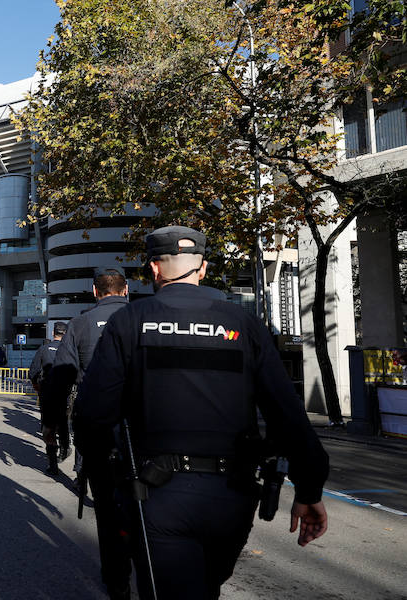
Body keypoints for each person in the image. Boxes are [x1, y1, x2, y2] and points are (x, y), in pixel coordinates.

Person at [75, 226, 329, 599]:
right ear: (204, 269)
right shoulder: (244, 324)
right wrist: (309, 488)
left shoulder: (129, 321)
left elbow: (93, 414)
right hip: (232, 496)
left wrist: (106, 477)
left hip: (156, 495)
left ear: (154, 270)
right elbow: (287, 414)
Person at [44, 267, 131, 598]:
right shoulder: (143, 316)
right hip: (143, 423)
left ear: (95, 292)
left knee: (107, 507)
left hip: (97, 423)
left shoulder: (80, 323)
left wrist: (51, 425)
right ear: (126, 291)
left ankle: (117, 579)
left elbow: (61, 377)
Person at [28, 321, 68, 475]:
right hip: (67, 394)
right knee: (64, 423)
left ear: (53, 334)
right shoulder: (71, 349)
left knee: (49, 428)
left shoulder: (44, 349)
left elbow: (33, 371)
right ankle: (64, 449)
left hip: (48, 395)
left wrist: (38, 388)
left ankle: (53, 464)